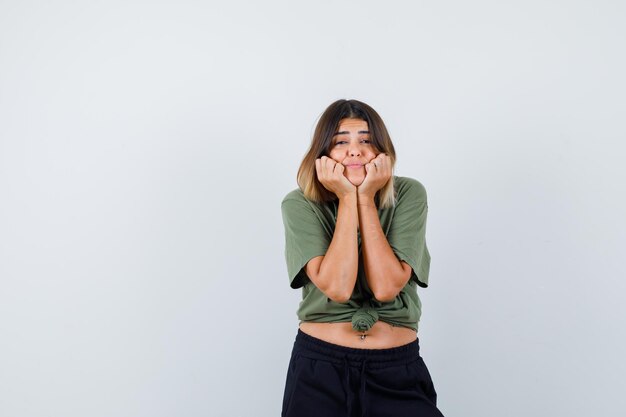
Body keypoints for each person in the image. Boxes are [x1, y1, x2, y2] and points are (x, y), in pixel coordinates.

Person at [280, 99, 444, 417]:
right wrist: (345, 197)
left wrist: (365, 197)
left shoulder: (410, 194)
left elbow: (385, 287)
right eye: (341, 142)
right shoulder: (299, 204)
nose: (355, 151)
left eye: (366, 141)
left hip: (396, 370)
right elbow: (338, 288)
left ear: (383, 152)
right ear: (323, 154)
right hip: (320, 370)